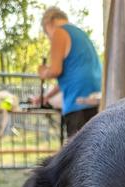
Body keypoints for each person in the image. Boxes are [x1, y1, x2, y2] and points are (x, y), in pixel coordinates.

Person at [36, 6, 102, 137]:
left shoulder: (59, 32)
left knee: (79, 147)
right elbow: (69, 77)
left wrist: (43, 72)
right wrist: (47, 96)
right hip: (93, 99)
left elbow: (55, 70)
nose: (49, 37)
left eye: (47, 33)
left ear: (49, 22)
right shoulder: (79, 33)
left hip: (78, 104)